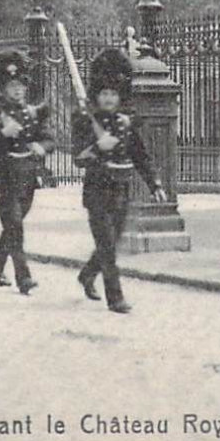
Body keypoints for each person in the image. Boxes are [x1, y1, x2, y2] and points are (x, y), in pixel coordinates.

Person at [72, 47, 167, 314]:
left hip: (122, 191)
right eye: (104, 93)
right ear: (97, 95)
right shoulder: (85, 122)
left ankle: (87, 274)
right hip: (97, 192)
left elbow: (141, 157)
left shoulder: (126, 124)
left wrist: (155, 184)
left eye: (113, 93)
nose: (109, 98)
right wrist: (96, 147)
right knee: (107, 246)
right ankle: (115, 298)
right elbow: (77, 159)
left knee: (112, 243)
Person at [0, 50, 53, 294]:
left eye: (20, 85)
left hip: (28, 177)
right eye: (11, 86)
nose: (17, 90)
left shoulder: (32, 114)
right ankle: (23, 277)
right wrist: (1, 134)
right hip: (5, 176)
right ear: (2, 89)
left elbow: (49, 139)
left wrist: (40, 146)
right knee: (15, 226)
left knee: (14, 225)